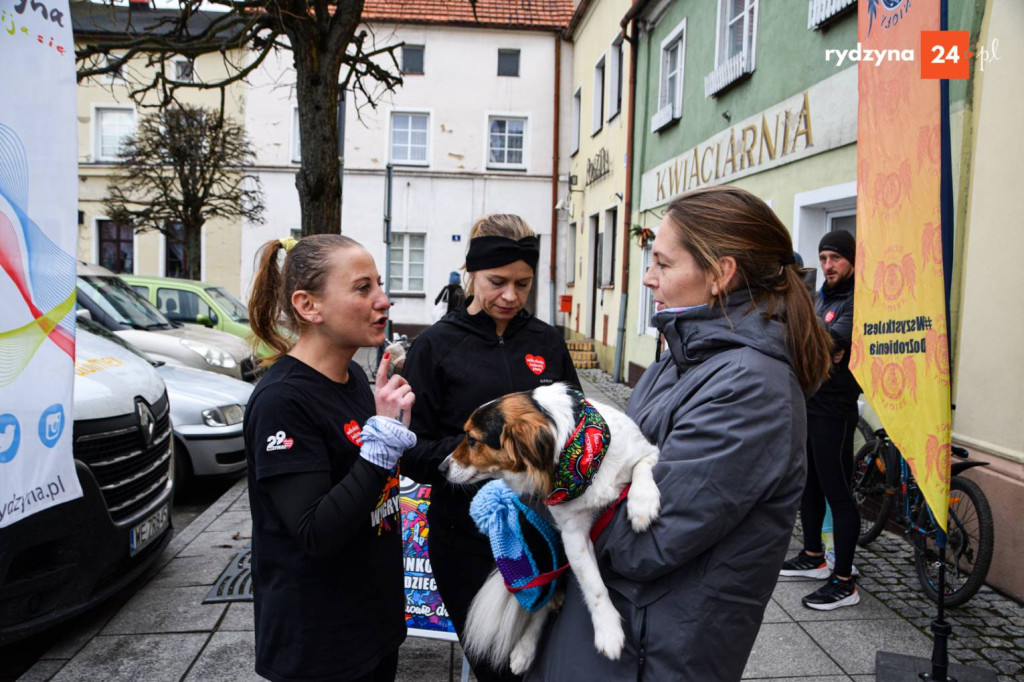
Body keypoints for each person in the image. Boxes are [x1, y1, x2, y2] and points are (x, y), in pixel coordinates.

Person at [525, 186, 833, 680]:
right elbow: (619, 464)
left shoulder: (751, 388)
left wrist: (553, 495)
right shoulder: (686, 356)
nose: (647, 278)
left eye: (663, 264)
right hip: (625, 630)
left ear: (720, 274)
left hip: (656, 648)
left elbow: (643, 542)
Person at [400, 215, 580, 682]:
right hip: (467, 542)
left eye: (523, 284)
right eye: (497, 282)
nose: (511, 296)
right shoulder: (435, 346)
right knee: (496, 670)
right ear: (471, 273)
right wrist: (486, 461)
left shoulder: (546, 341)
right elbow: (411, 449)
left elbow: (581, 430)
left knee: (546, 665)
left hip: (548, 533)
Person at [244, 234, 417, 682]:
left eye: (379, 284)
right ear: (309, 306)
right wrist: (381, 447)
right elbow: (314, 532)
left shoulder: (355, 381)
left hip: (372, 627)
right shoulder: (283, 400)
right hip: (319, 646)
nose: (384, 300)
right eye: (363, 288)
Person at [780, 229, 863, 610]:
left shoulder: (856, 302)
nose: (828, 266)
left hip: (835, 409)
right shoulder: (821, 298)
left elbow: (829, 343)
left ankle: (844, 581)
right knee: (809, 485)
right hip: (810, 403)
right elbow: (803, 340)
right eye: (824, 258)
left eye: (836, 259)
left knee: (838, 493)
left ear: (852, 260)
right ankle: (813, 556)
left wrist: (814, 344)